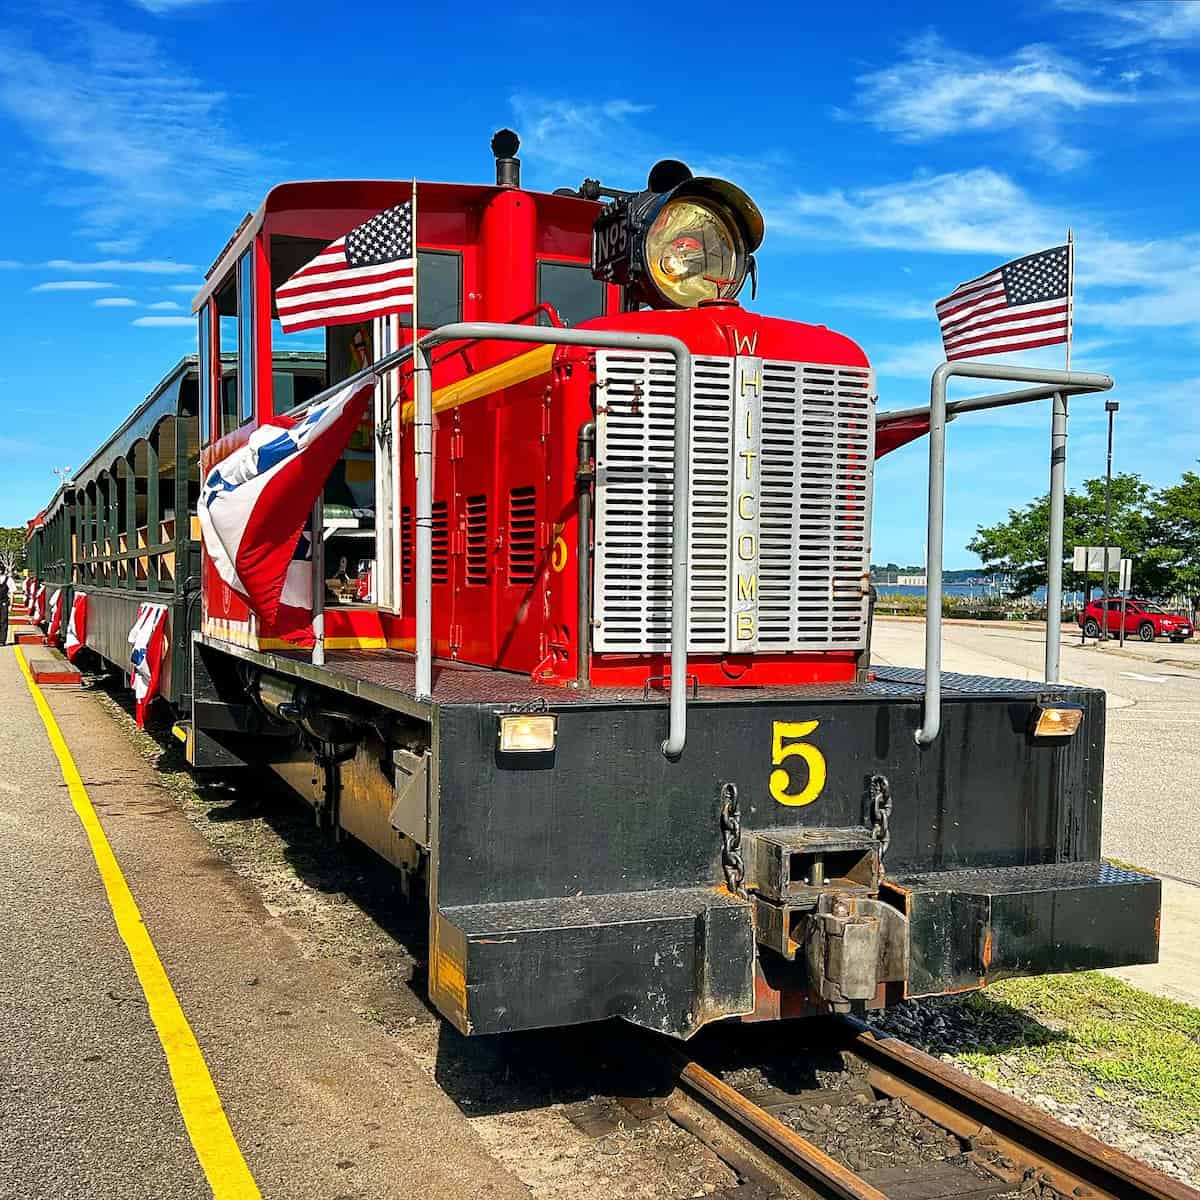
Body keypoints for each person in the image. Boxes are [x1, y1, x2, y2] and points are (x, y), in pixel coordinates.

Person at [0, 569, 10, 646]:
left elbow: (12, 592)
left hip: (4, 602)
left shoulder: (8, 579)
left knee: (3, 621)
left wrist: (11, 605)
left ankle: (2, 640)